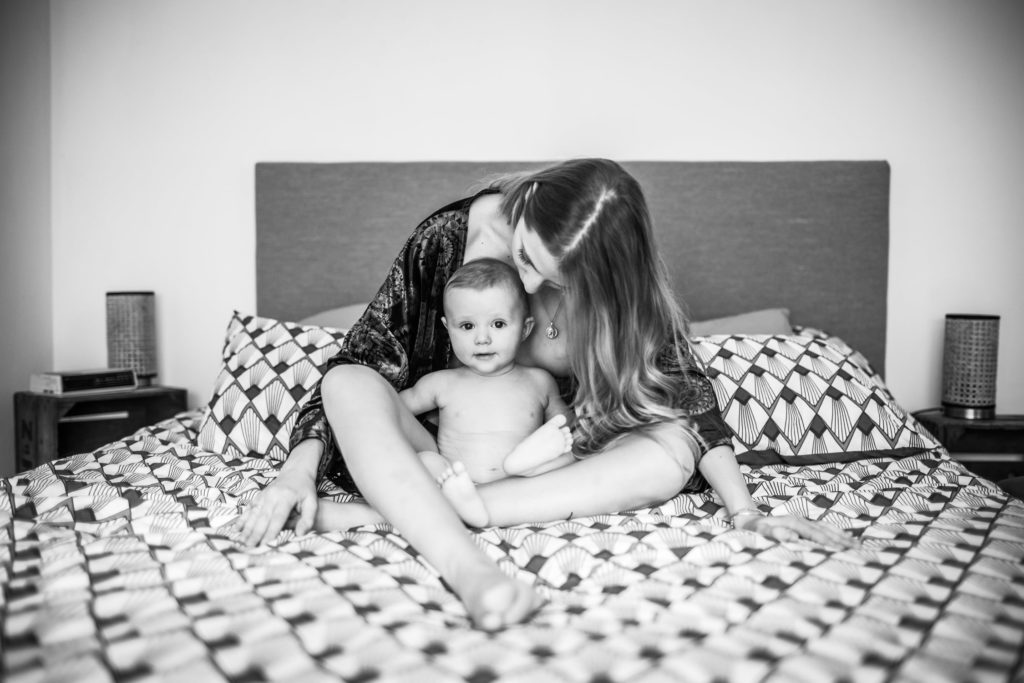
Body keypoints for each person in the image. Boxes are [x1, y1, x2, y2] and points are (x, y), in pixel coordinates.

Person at [234, 158, 857, 631]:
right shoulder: (446, 239)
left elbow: (696, 412)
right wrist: (296, 472)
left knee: (672, 447)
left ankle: (414, 511)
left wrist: (746, 511)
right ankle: (468, 569)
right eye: (525, 256)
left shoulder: (619, 292)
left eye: (548, 274)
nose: (526, 281)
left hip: (541, 466)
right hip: (430, 451)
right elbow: (364, 359)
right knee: (347, 382)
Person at [314, 257, 575, 532]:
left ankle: (516, 468)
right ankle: (457, 504)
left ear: (524, 328)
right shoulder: (440, 384)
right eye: (467, 326)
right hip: (451, 482)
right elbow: (386, 410)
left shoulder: (539, 381)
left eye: (498, 324)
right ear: (447, 328)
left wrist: (564, 437)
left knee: (568, 457)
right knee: (427, 462)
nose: (482, 338)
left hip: (519, 487)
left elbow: (563, 426)